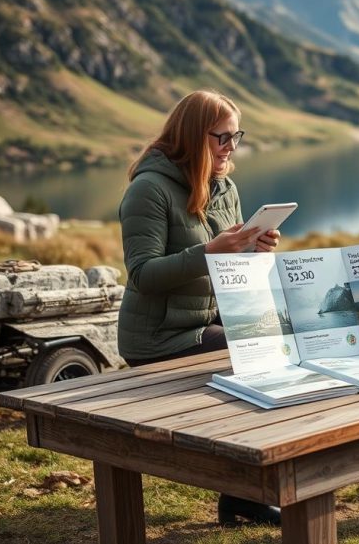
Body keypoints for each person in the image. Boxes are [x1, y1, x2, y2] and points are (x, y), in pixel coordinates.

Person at [118, 89, 282, 526]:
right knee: (256, 357)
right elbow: (142, 275)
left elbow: (228, 269)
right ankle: (244, 494)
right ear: (193, 136)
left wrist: (255, 252)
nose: (231, 148)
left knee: (276, 341)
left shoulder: (224, 186)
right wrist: (210, 250)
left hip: (204, 322)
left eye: (236, 136)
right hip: (158, 335)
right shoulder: (148, 190)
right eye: (222, 137)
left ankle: (244, 492)